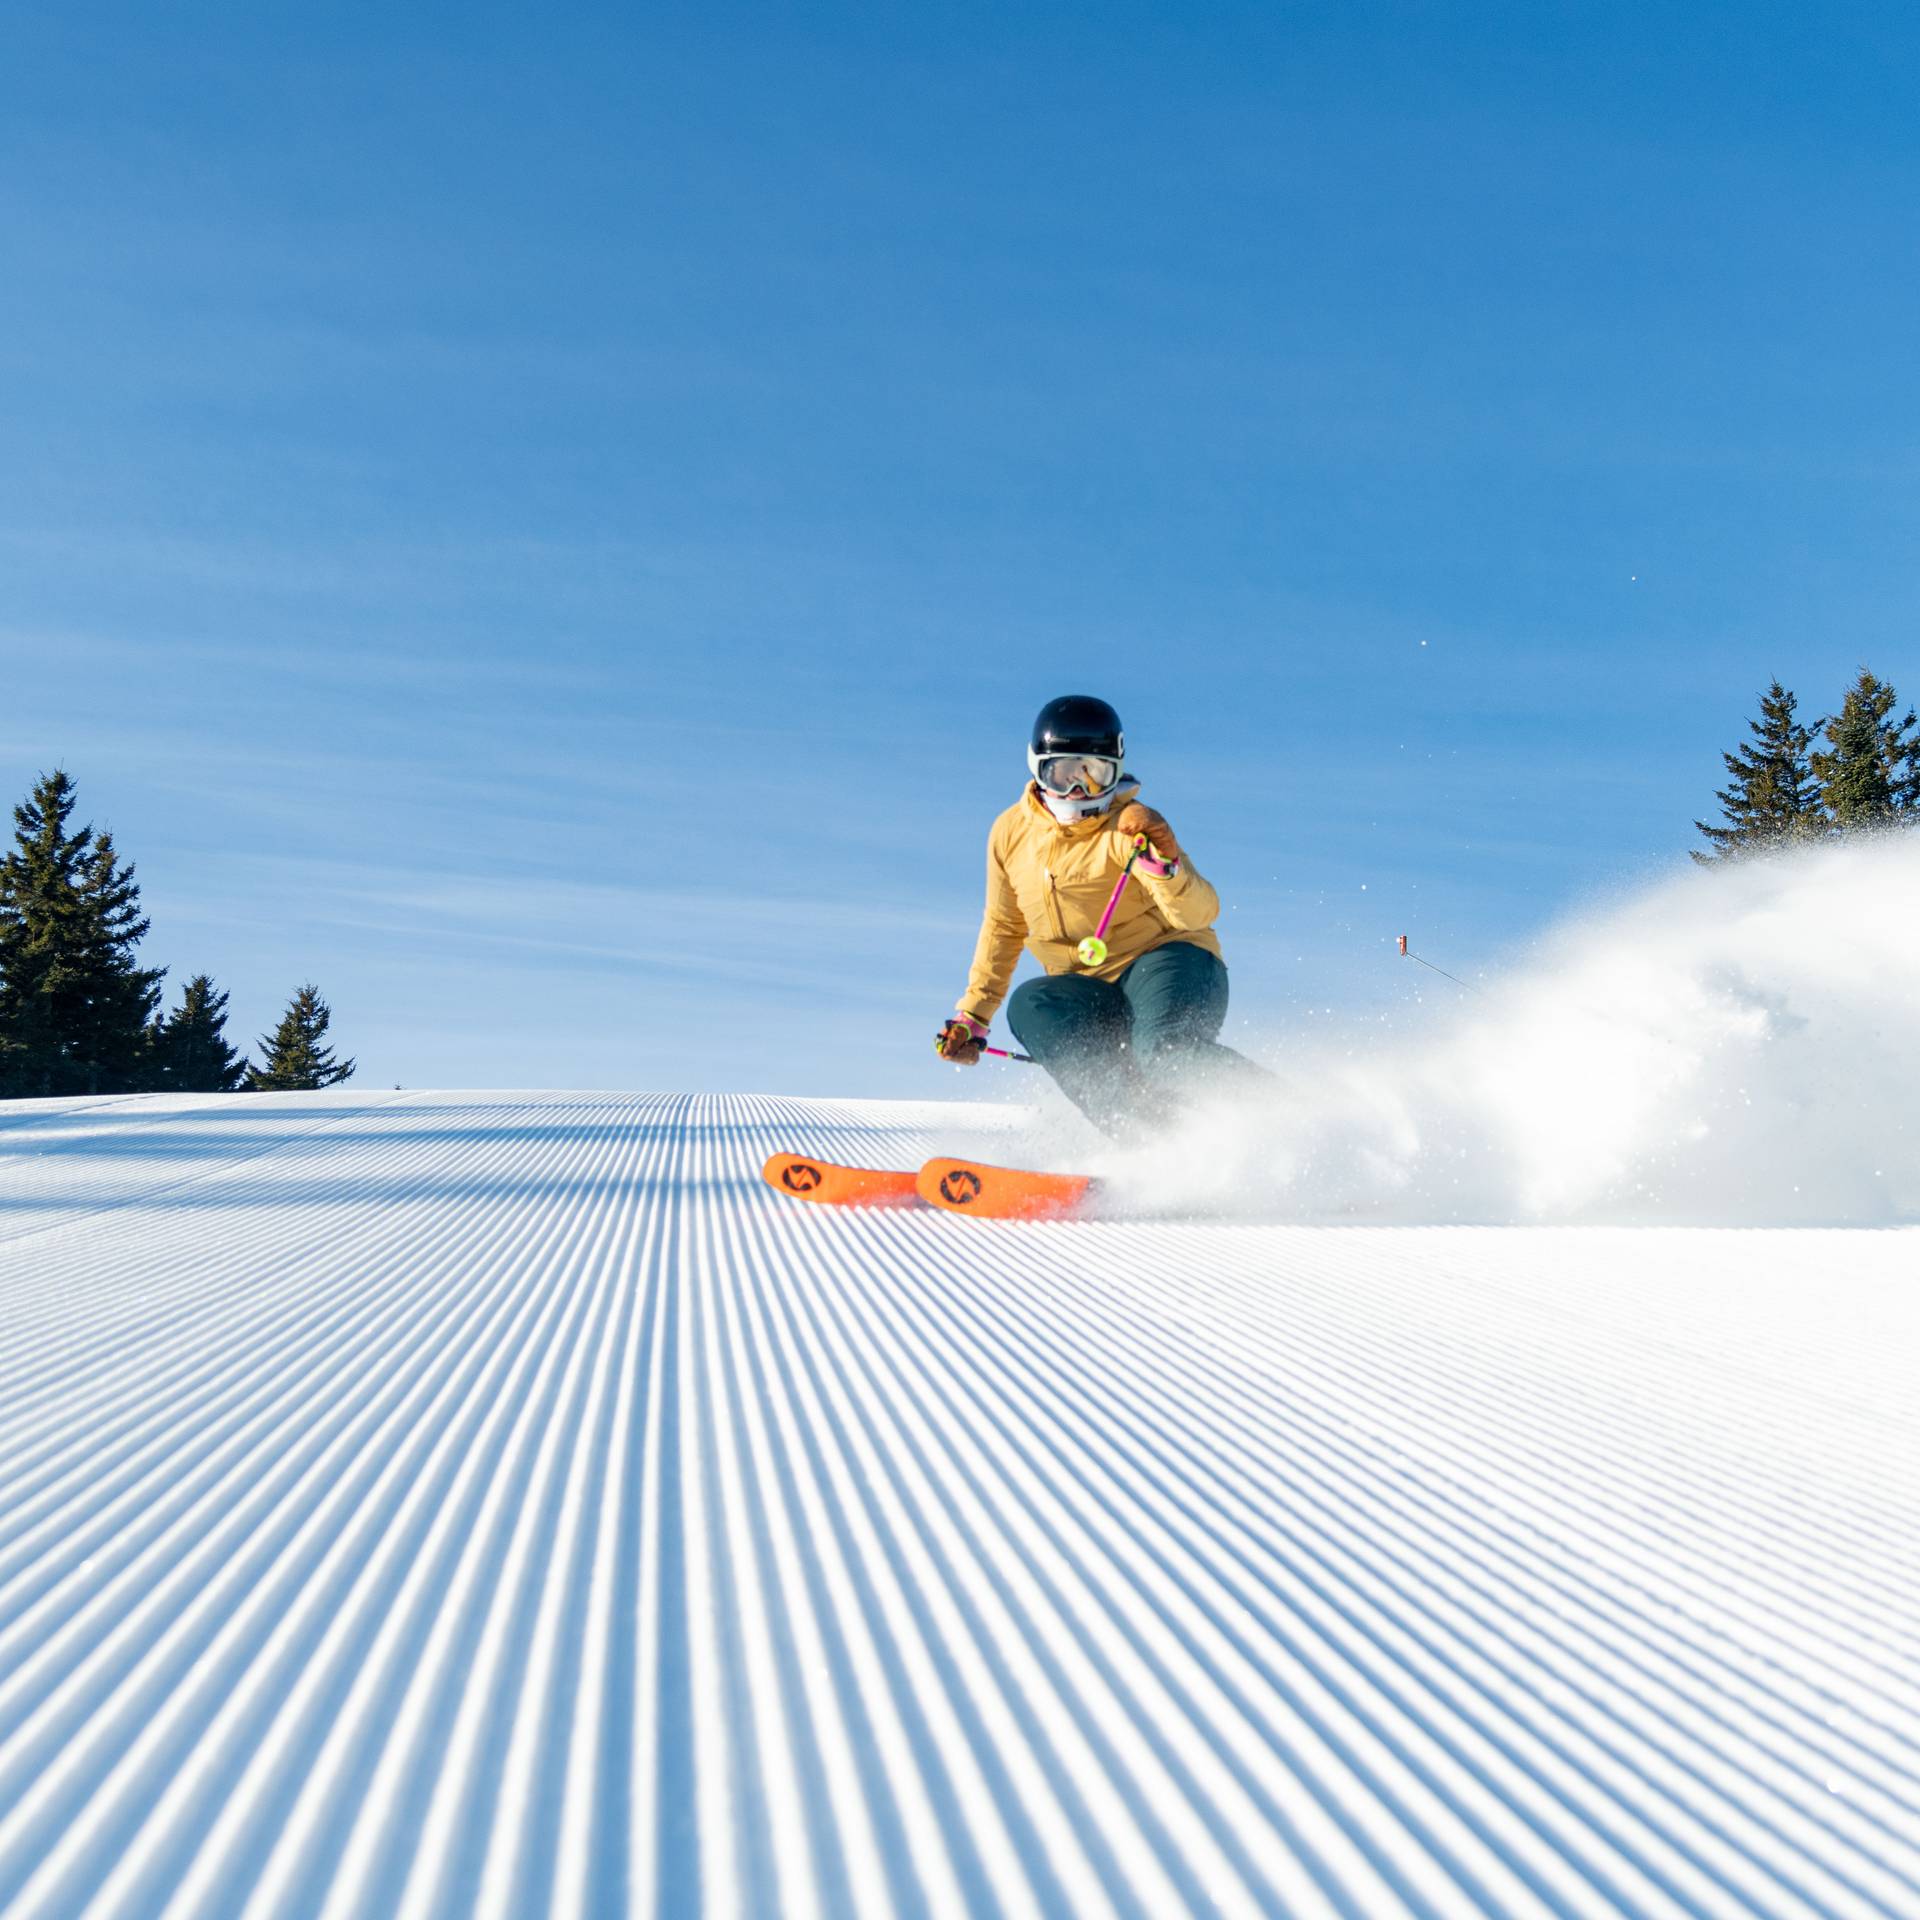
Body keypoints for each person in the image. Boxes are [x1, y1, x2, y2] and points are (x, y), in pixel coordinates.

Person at [935, 694, 1256, 1136]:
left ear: (1117, 770)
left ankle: (1294, 1119)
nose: (1078, 790)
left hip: (1170, 964)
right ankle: (1151, 1140)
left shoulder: (1131, 825)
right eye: (1064, 773)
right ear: (1037, 767)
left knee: (1164, 1052)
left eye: (1094, 773)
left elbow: (1198, 914)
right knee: (1032, 1004)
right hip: (1088, 990)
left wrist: (1165, 867)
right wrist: (973, 1015)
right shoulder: (1010, 833)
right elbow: (1004, 927)